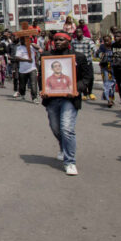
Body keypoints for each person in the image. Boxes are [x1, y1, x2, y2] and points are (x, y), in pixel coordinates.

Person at [40, 32, 92, 176]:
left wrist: (77, 89)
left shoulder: (79, 57)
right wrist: (42, 90)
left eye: (60, 40)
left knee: (67, 128)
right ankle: (63, 146)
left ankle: (70, 162)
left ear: (68, 41)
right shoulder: (47, 56)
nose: (57, 42)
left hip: (70, 98)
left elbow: (87, 77)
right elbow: (42, 76)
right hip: (51, 99)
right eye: (55, 40)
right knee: (56, 128)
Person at [71, 28, 96, 100]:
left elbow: (93, 48)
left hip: (87, 62)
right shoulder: (73, 41)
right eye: (77, 32)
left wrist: (95, 52)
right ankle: (84, 93)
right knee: (81, 78)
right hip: (78, 64)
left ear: (82, 33)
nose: (78, 33)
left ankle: (90, 92)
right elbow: (72, 50)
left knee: (90, 77)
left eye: (80, 32)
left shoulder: (88, 40)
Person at [14, 37, 40, 104]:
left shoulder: (32, 46)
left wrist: (30, 43)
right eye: (22, 40)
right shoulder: (19, 48)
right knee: (22, 85)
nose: (23, 41)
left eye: (24, 39)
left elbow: (38, 48)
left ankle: (34, 98)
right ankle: (22, 95)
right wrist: (27, 60)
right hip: (23, 70)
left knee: (33, 84)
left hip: (32, 68)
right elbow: (17, 58)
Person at [96, 34, 116, 107]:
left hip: (114, 67)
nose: (107, 42)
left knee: (113, 83)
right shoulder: (102, 47)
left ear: (111, 39)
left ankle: (111, 98)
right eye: (105, 41)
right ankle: (109, 100)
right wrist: (101, 54)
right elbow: (97, 54)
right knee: (107, 83)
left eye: (108, 40)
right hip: (105, 67)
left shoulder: (115, 45)